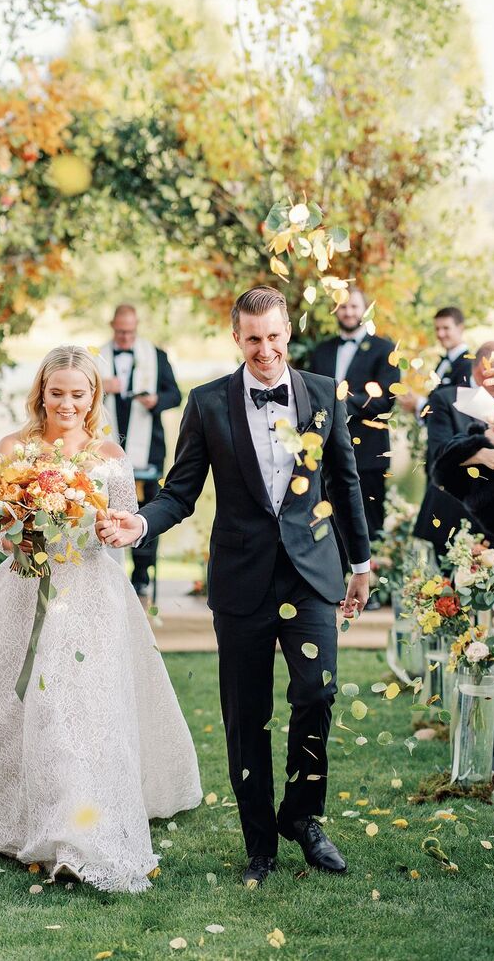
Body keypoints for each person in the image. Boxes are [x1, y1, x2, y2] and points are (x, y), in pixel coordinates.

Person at [0, 346, 202, 893]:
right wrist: (18, 536)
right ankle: (13, 804)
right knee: (14, 703)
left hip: (90, 595)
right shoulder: (13, 448)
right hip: (24, 589)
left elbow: (122, 519)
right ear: (41, 393)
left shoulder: (109, 454)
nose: (66, 403)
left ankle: (72, 829)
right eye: (56, 392)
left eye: (78, 394)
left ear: (92, 397)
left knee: (74, 705)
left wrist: (111, 529)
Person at [97, 286, 370, 886]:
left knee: (316, 694)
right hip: (242, 581)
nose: (265, 350)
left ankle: (303, 817)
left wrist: (361, 564)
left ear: (288, 331)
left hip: (312, 574)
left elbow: (344, 484)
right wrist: (142, 522)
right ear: (236, 337)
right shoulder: (209, 403)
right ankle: (260, 847)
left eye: (274, 337)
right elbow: (180, 490)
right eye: (253, 339)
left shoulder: (324, 395)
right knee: (245, 715)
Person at [98, 304, 181, 597]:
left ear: (136, 327)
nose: (124, 337)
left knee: (147, 509)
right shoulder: (97, 358)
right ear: (112, 326)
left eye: (129, 332)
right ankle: (107, 572)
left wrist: (156, 400)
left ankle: (142, 574)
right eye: (120, 332)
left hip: (148, 450)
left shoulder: (156, 356)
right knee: (108, 508)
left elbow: (176, 395)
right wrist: (102, 386)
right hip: (106, 448)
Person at [308, 288, 399, 544]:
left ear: (365, 310)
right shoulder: (321, 351)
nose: (348, 312)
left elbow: (384, 402)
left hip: (369, 455)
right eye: (343, 307)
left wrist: (340, 401)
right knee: (327, 532)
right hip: (325, 456)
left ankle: (372, 583)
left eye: (354, 307)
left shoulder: (385, 350)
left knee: (369, 531)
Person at [412, 341, 494, 561]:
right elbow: (439, 452)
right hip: (451, 513)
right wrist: (485, 445)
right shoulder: (446, 399)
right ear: (487, 366)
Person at [398, 306, 472, 419]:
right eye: (437, 329)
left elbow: (456, 409)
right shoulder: (443, 362)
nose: (440, 334)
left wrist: (419, 403)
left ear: (460, 328)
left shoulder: (468, 365)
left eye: (446, 328)